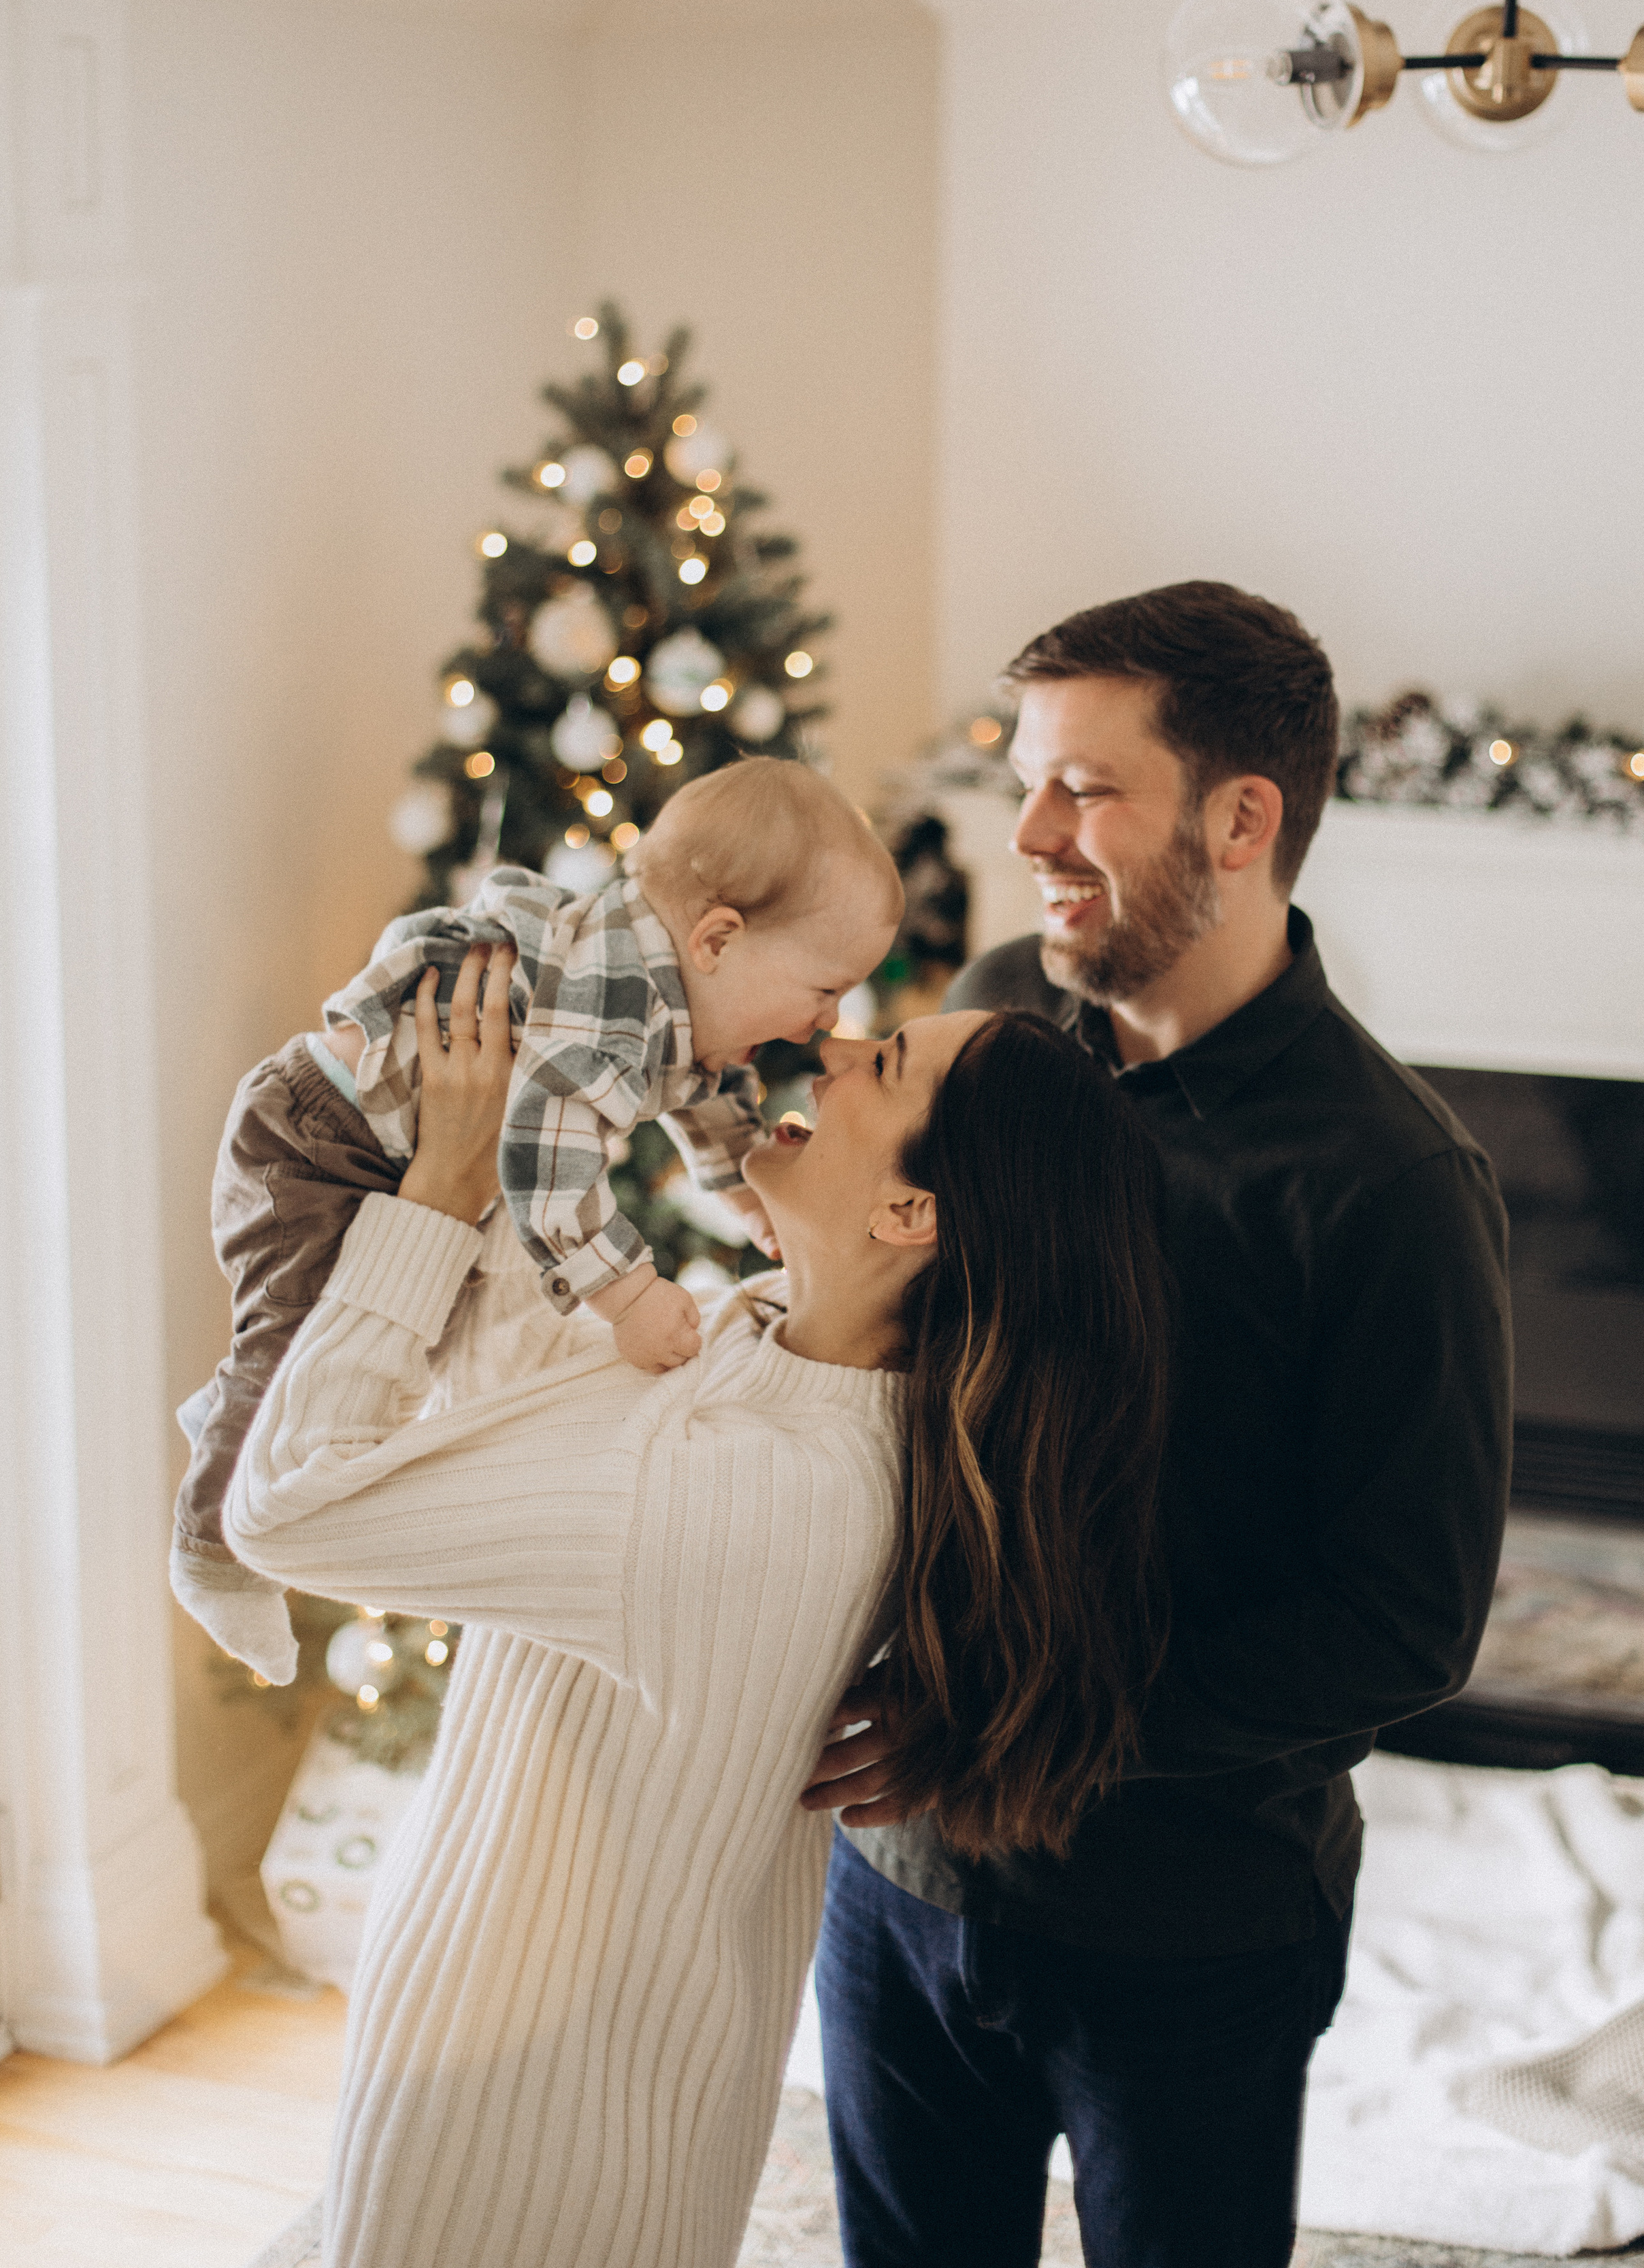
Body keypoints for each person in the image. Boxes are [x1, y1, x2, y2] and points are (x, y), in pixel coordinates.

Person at [224, 936, 1174, 2268]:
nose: (832, 1046)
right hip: (582, 2063)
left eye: (881, 1065)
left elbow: (283, 1507)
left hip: (521, 2115)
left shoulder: (750, 1490)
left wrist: (441, 1187)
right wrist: (529, 1143)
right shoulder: (782, 1341)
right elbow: (507, 1385)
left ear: (913, 1216)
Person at [802, 580, 1514, 2268]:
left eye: (1084, 787)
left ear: (1241, 817)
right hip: (897, 1886)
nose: (1027, 827)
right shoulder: (980, 1016)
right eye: (1024, 773)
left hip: (1189, 1931)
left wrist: (1011, 1730)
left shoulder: (1391, 1188)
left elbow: (1402, 1625)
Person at [171, 755, 900, 1684]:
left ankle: (227, 1410)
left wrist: (740, 1187)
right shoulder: (616, 1014)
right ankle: (208, 1548)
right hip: (323, 1137)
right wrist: (630, 1295)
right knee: (289, 1351)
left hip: (381, 1141)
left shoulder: (679, 1003)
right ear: (717, 939)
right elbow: (544, 1163)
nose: (824, 1026)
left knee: (372, 1347)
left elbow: (709, 1091)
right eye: (824, 989)